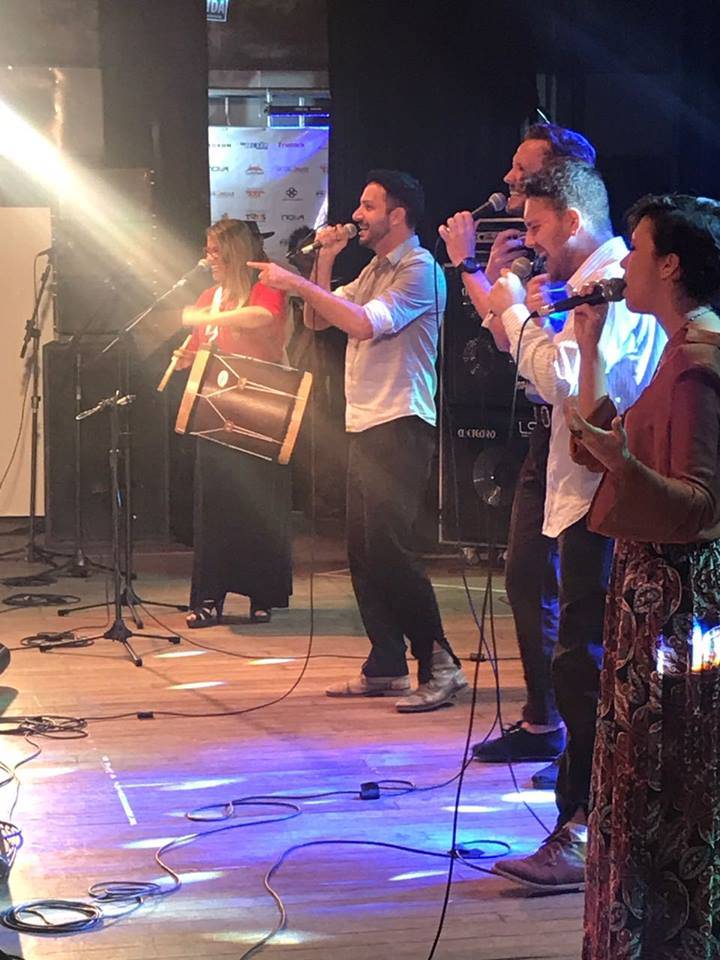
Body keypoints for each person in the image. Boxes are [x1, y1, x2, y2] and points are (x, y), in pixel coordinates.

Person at [481, 160, 666, 891]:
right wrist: (530, 318)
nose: (528, 238)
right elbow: (554, 379)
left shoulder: (610, 284)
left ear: (573, 220)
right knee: (580, 663)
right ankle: (585, 821)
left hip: (603, 498)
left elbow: (574, 384)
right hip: (584, 493)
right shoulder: (586, 286)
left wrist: (518, 316)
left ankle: (585, 828)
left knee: (585, 666)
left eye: (535, 225)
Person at [247, 169, 468, 713]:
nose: (357, 215)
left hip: (401, 421)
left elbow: (366, 324)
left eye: (369, 206)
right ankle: (386, 662)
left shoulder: (420, 269)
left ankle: (440, 662)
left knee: (390, 548)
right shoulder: (373, 269)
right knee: (363, 551)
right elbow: (317, 320)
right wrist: (322, 262)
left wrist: (296, 282)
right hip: (366, 422)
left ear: (398, 214)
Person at [565, 195, 720, 959]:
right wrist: (589, 345)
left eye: (636, 248)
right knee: (647, 777)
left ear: (671, 265)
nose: (622, 262)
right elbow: (592, 444)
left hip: (679, 612)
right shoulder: (677, 347)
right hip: (655, 601)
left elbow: (701, 506)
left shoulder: (698, 363)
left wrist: (622, 465)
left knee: (666, 782)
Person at [439, 125, 597, 780]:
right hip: (545, 434)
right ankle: (546, 720)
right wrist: (506, 284)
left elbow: (529, 347)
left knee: (576, 599)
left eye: (522, 172)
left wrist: (471, 269)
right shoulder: (546, 255)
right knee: (529, 579)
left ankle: (580, 748)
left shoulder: (592, 269)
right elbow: (516, 331)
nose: (508, 182)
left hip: (582, 444)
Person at [174, 218, 291, 627]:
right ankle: (209, 595)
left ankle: (262, 593)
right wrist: (187, 356)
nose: (208, 259)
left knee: (258, 503)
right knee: (215, 506)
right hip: (216, 411)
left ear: (234, 253)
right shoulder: (210, 297)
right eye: (207, 250)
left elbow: (261, 317)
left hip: (260, 408)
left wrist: (206, 318)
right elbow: (201, 347)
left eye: (215, 251)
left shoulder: (264, 288)